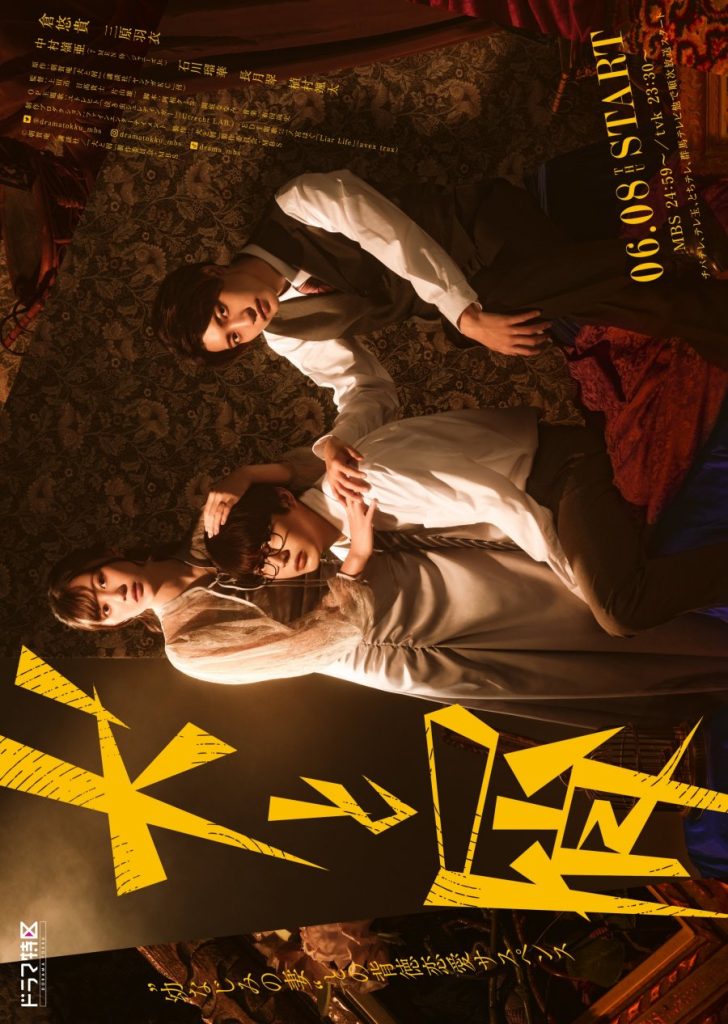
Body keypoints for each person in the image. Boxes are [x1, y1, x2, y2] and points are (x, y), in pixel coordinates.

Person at [48, 408, 728, 720]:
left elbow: (307, 482)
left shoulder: (210, 530)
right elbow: (315, 644)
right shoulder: (187, 648)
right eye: (102, 610)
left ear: (111, 557)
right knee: (571, 638)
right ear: (113, 626)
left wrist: (249, 470)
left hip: (398, 557)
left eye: (101, 581)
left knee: (555, 583)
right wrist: (359, 557)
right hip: (387, 636)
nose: (115, 595)